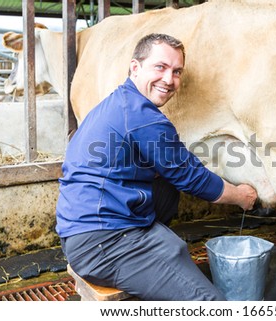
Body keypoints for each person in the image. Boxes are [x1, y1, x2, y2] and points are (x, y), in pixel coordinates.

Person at [55, 33, 258, 301]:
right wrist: (241, 196)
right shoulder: (145, 119)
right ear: (135, 67)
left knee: (166, 186)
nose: (169, 79)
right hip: (103, 243)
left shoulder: (119, 102)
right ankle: (154, 258)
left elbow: (177, 166)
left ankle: (158, 253)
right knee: (209, 303)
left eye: (176, 72)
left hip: (82, 232)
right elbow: (190, 176)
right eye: (160, 67)